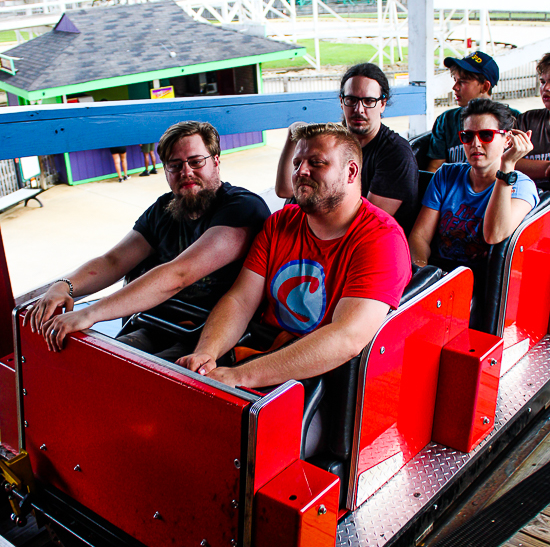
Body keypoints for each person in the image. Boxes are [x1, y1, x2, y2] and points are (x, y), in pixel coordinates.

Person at [178, 123, 411, 393]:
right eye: (297, 162)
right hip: (261, 351)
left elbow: (347, 337)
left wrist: (241, 376)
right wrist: (207, 353)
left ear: (350, 172)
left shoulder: (382, 240)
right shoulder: (280, 223)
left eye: (317, 162)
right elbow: (241, 300)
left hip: (322, 384)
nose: (301, 171)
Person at [25, 121, 270, 359]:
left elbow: (179, 275)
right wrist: (64, 285)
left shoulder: (242, 208)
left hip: (216, 334)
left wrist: (91, 313)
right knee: (104, 363)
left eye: (196, 162)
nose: (186, 172)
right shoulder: (164, 210)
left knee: (148, 384)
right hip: (160, 323)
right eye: (175, 165)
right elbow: (113, 261)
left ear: (216, 162)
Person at [409, 100, 538, 312]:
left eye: (486, 135)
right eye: (467, 136)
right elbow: (419, 236)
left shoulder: (521, 186)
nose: (475, 144)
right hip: (437, 274)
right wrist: (426, 276)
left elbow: (494, 234)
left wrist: (507, 168)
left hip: (481, 285)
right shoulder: (446, 175)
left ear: (507, 139)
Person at [275, 63, 419, 234]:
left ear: (382, 104)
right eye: (351, 100)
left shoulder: (396, 153)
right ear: (342, 102)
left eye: (369, 101)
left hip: (364, 243)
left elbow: (367, 222)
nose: (359, 109)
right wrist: (293, 133)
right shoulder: (333, 143)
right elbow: (285, 190)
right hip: (321, 231)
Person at [426, 51, 520, 172]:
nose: (455, 87)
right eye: (455, 80)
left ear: (485, 87)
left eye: (463, 81)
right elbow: (434, 168)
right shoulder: (446, 120)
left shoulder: (513, 118)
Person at [514, 53, 550, 187]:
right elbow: (507, 162)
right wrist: (547, 168)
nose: (546, 88)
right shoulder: (527, 120)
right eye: (543, 82)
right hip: (530, 201)